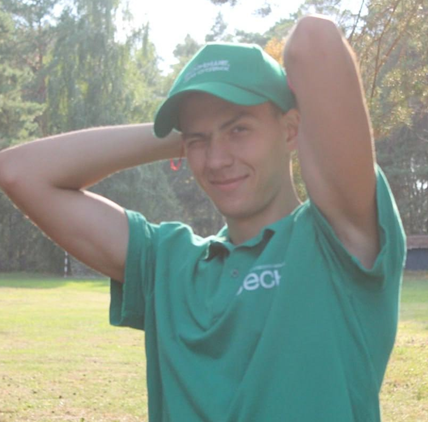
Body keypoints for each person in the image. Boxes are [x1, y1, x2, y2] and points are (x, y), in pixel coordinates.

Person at [0, 14, 406, 422]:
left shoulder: (335, 242)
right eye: (198, 141)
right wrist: (176, 135)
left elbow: (314, 42)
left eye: (238, 130)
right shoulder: (167, 263)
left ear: (289, 131)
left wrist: (230, 119)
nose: (216, 160)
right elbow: (19, 172)